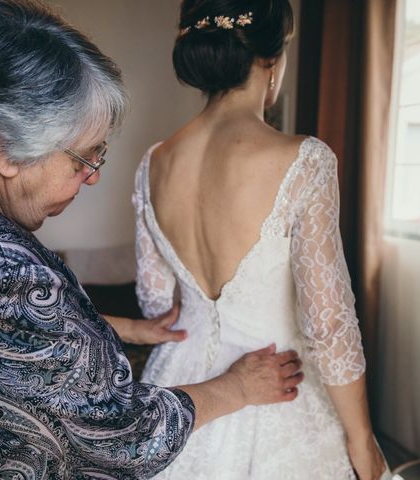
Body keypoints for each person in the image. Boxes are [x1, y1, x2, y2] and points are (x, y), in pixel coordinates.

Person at [0, 1, 305, 478]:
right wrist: (237, 388)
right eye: (83, 159)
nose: (93, 178)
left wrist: (126, 328)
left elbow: (1, 347)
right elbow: (122, 437)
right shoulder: (0, 273)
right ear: (2, 147)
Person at [133, 0, 390, 479]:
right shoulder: (305, 161)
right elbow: (328, 326)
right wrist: (364, 443)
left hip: (183, 394)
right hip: (279, 387)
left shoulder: (155, 162)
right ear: (272, 58)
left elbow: (155, 302)